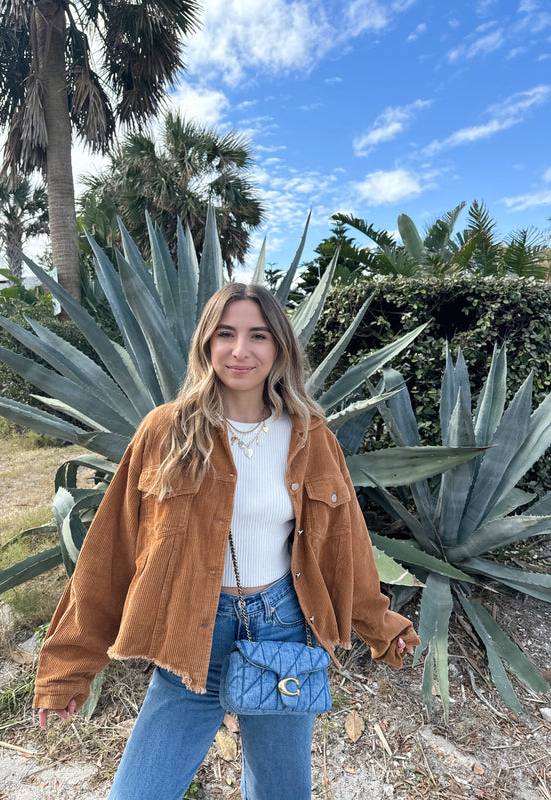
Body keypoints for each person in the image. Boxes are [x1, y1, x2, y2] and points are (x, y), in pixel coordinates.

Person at [34, 282, 420, 800]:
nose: (241, 351)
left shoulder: (311, 434)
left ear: (279, 347)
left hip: (284, 629)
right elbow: (111, 553)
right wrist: (68, 669)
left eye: (258, 335)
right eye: (226, 334)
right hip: (191, 630)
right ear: (206, 345)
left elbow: (344, 542)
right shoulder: (165, 432)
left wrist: (379, 623)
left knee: (281, 792)